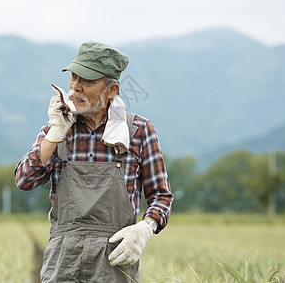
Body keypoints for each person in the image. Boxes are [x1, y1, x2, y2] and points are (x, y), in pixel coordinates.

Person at [14, 41, 173, 282]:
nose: (75, 88)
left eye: (87, 81)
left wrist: (144, 229)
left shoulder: (138, 130)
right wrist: (55, 134)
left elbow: (161, 196)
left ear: (111, 90)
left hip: (113, 260)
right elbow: (24, 180)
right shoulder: (57, 127)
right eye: (73, 78)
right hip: (62, 261)